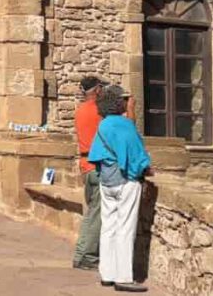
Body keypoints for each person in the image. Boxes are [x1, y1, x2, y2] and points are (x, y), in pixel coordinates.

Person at [88, 85, 152, 293]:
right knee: (125, 227)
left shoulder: (104, 124)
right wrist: (146, 169)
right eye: (125, 99)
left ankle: (107, 273)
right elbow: (136, 153)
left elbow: (97, 153)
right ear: (119, 102)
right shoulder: (123, 125)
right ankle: (124, 277)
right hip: (125, 181)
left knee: (109, 227)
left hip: (107, 181)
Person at [72, 76, 105, 271]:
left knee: (91, 213)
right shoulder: (100, 112)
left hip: (86, 163)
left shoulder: (80, 110)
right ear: (97, 90)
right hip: (98, 166)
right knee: (97, 215)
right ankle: (88, 258)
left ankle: (81, 254)